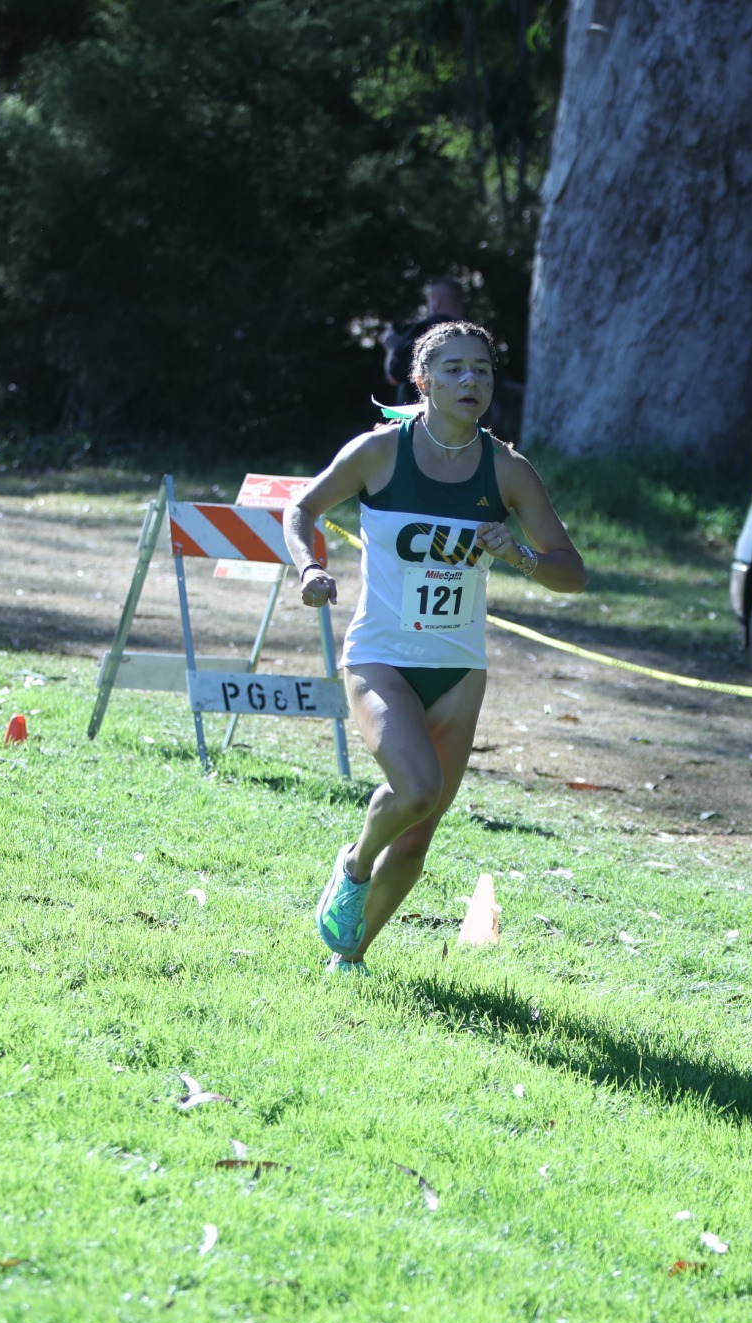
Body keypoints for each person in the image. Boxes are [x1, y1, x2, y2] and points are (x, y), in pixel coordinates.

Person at [283, 320, 587, 975]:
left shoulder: (507, 470)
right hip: (380, 656)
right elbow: (301, 509)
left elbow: (573, 572)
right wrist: (308, 569)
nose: (470, 380)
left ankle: (350, 955)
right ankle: (355, 864)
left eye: (481, 369)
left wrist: (524, 557)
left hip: (458, 669)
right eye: (453, 369)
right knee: (417, 788)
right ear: (423, 382)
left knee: (420, 832)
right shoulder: (378, 453)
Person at [379, 277, 466, 404]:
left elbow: (394, 376)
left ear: (436, 302)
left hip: (425, 417)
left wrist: (392, 348)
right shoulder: (476, 335)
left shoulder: (426, 330)